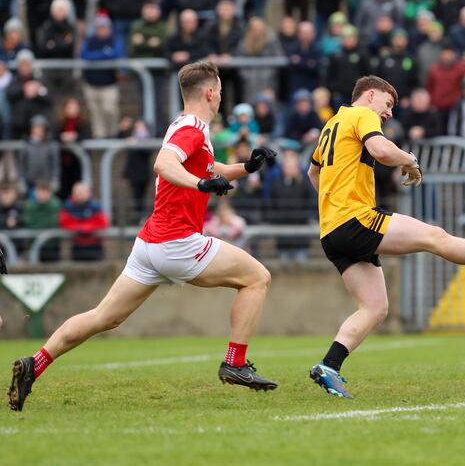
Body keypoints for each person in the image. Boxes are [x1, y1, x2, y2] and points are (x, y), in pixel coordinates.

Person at [7, 61, 281, 412]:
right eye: (220, 93)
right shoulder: (194, 128)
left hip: (149, 245)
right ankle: (235, 363)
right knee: (258, 278)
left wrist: (248, 167)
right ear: (210, 93)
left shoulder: (184, 126)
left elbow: (210, 170)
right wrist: (200, 184)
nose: (220, 99)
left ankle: (34, 364)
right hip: (178, 243)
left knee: (104, 316)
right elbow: (164, 164)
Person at [305, 75, 465, 397]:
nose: (389, 113)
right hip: (354, 219)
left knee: (374, 307)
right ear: (371, 95)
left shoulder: (331, 124)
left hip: (332, 231)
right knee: (435, 237)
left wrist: (332, 205)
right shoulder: (362, 114)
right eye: (388, 104)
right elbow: (380, 148)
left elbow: (313, 172)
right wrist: (410, 160)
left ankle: (329, 365)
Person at [266, 147, 316, 262]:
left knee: (301, 261)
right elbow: (271, 202)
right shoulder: (276, 182)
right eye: (287, 166)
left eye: (293, 166)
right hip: (283, 228)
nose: (290, 169)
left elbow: (311, 199)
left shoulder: (305, 182)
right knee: (284, 261)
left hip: (301, 228)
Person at [80, 16, 124, 138]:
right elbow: (85, 55)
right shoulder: (90, 40)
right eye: (99, 27)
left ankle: (113, 133)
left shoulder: (114, 40)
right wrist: (104, 54)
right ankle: (100, 136)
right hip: (91, 83)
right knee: (95, 112)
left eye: (105, 27)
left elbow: (116, 54)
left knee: (110, 109)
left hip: (109, 83)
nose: (102, 30)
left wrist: (97, 57)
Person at [237, 17, 284, 104]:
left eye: (260, 28)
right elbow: (239, 62)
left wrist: (270, 75)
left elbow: (279, 59)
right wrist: (246, 76)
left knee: (267, 106)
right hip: (249, 82)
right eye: (255, 28)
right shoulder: (243, 43)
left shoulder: (272, 42)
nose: (257, 31)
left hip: (268, 81)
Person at [59, 181, 110, 261]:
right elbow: (64, 222)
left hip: (95, 245)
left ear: (88, 193)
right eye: (78, 193)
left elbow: (103, 223)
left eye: (82, 193)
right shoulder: (68, 207)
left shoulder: (96, 207)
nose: (80, 196)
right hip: (77, 246)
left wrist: (85, 228)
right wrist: (80, 228)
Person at [54, 97, 91, 198]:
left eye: (74, 107)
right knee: (63, 190)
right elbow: (54, 135)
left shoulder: (84, 123)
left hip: (78, 163)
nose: (72, 110)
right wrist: (62, 137)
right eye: (70, 107)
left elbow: (87, 136)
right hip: (63, 163)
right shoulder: (59, 123)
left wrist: (76, 136)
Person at [426, 42, 465, 126]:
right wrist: (431, 103)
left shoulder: (460, 69)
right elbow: (429, 87)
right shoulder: (434, 69)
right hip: (437, 107)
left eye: (449, 54)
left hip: (454, 108)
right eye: (445, 54)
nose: (447, 57)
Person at [17, 115, 60, 194]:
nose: (38, 130)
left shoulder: (51, 145)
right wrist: (21, 179)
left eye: (41, 128)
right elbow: (21, 164)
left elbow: (55, 164)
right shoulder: (26, 145)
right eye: (35, 127)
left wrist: (55, 178)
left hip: (47, 182)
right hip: (31, 182)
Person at [22, 180, 62, 262]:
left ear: (50, 193)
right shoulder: (30, 206)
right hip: (33, 245)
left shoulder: (56, 205)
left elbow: (54, 224)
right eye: (39, 192)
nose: (41, 195)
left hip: (52, 246)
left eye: (44, 192)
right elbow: (29, 223)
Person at [286, 21, 321, 95]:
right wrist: (308, 63)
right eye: (303, 33)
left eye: (308, 33)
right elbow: (292, 63)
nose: (306, 36)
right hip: (295, 87)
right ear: (298, 34)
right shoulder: (293, 47)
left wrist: (300, 61)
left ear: (313, 34)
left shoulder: (317, 48)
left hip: (313, 87)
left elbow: (315, 66)